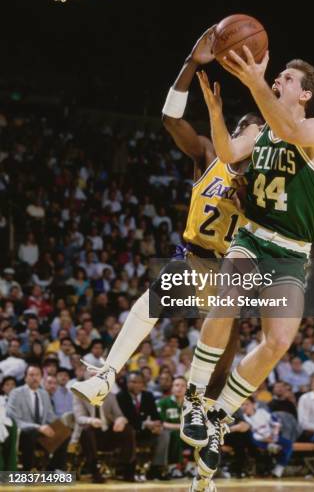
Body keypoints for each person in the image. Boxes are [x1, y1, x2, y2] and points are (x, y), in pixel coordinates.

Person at [71, 26, 262, 411]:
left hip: (232, 268)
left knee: (228, 344)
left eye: (250, 128)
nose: (240, 130)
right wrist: (191, 63)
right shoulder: (209, 155)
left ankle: (208, 409)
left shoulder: (263, 181)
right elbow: (170, 119)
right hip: (194, 254)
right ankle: (106, 375)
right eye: (238, 125)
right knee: (152, 299)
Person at [181, 46, 314, 482]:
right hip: (251, 237)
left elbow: (287, 127)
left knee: (278, 341)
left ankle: (219, 417)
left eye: (287, 77)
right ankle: (193, 396)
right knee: (226, 299)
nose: (278, 78)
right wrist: (214, 112)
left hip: (291, 251)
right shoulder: (263, 131)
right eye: (277, 75)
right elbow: (226, 153)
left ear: (304, 94)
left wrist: (254, 80)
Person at [6, 365, 69, 471]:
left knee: (64, 432)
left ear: (41, 378)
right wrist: (38, 427)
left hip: (41, 433)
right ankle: (28, 470)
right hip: (23, 433)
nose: (34, 378)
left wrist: (59, 426)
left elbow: (50, 416)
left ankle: (53, 469)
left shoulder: (44, 394)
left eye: (37, 375)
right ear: (25, 377)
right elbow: (13, 418)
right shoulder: (16, 393)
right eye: (31, 375)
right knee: (32, 432)